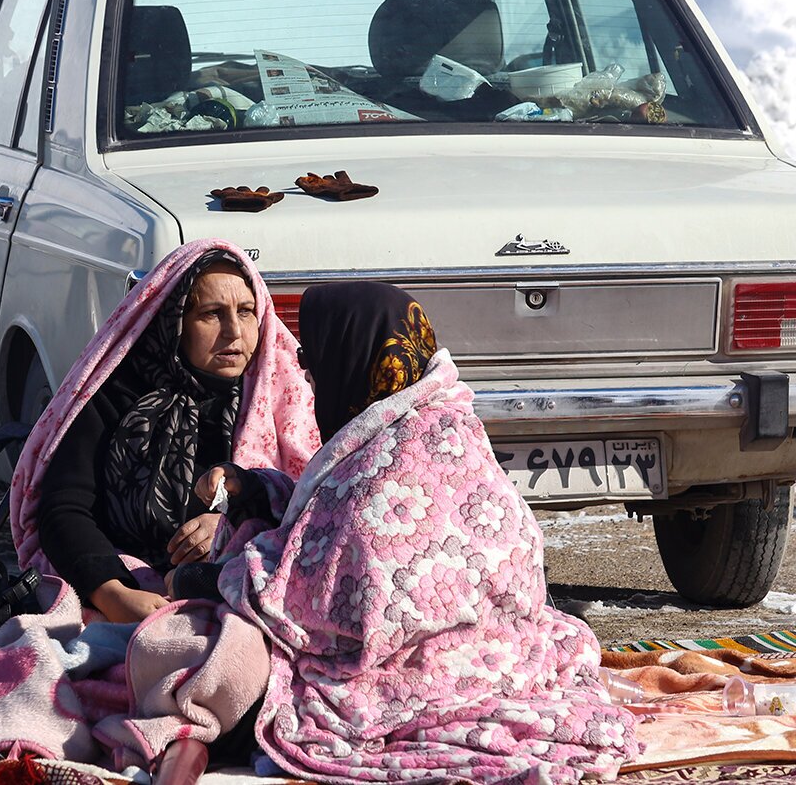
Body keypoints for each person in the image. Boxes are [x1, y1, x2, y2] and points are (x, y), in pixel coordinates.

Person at [187, 282, 637, 783]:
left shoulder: (381, 469)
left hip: (413, 676)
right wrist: (258, 489)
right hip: (507, 651)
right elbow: (330, 527)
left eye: (317, 369)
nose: (311, 384)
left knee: (209, 652)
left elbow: (318, 602)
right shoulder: (444, 422)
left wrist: (208, 578)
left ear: (352, 360)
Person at [8, 239, 321, 624]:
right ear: (174, 321)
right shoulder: (118, 395)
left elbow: (311, 515)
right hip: (126, 591)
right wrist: (113, 593)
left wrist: (231, 526)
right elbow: (63, 509)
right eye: (211, 314)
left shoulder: (275, 402)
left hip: (238, 597)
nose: (234, 332)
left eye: (245, 312)